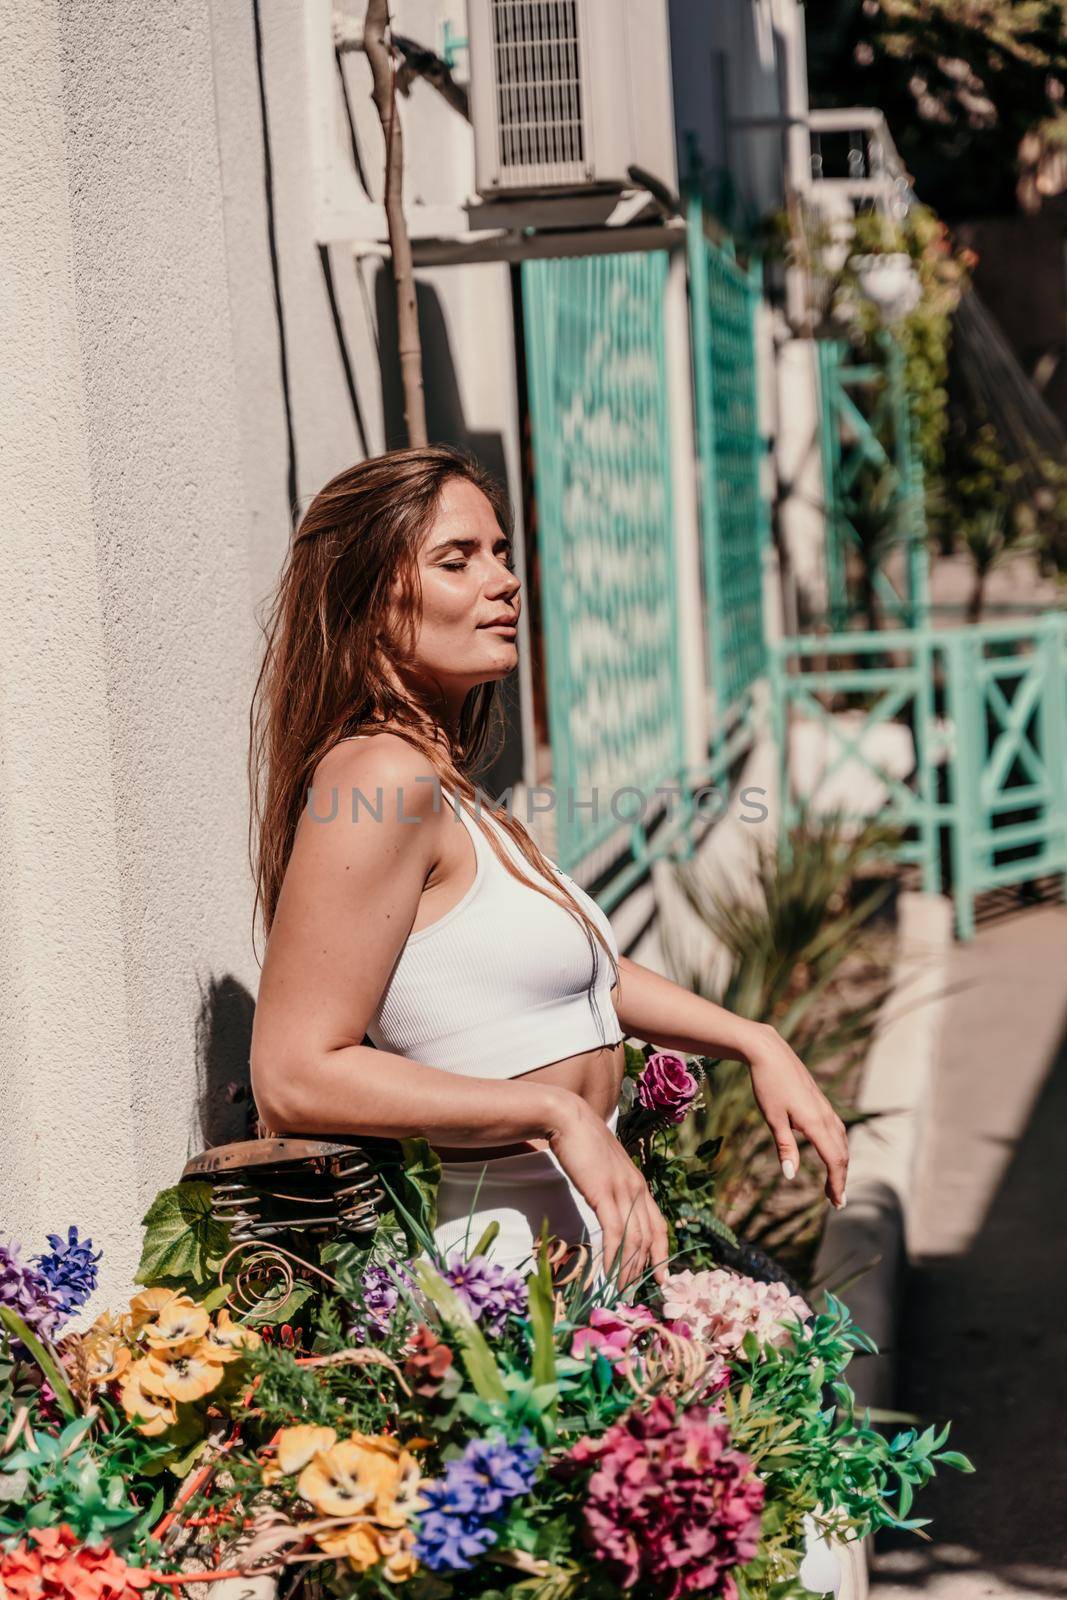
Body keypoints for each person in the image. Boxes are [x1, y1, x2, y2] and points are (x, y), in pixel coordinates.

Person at [248, 445, 849, 1290]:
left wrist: (751, 1039)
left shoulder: (445, 786)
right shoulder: (378, 778)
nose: (503, 581)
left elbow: (587, 979)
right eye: (456, 560)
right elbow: (294, 1073)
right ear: (371, 606)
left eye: (501, 553)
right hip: (495, 1286)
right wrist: (553, 1111)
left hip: (568, 1269)